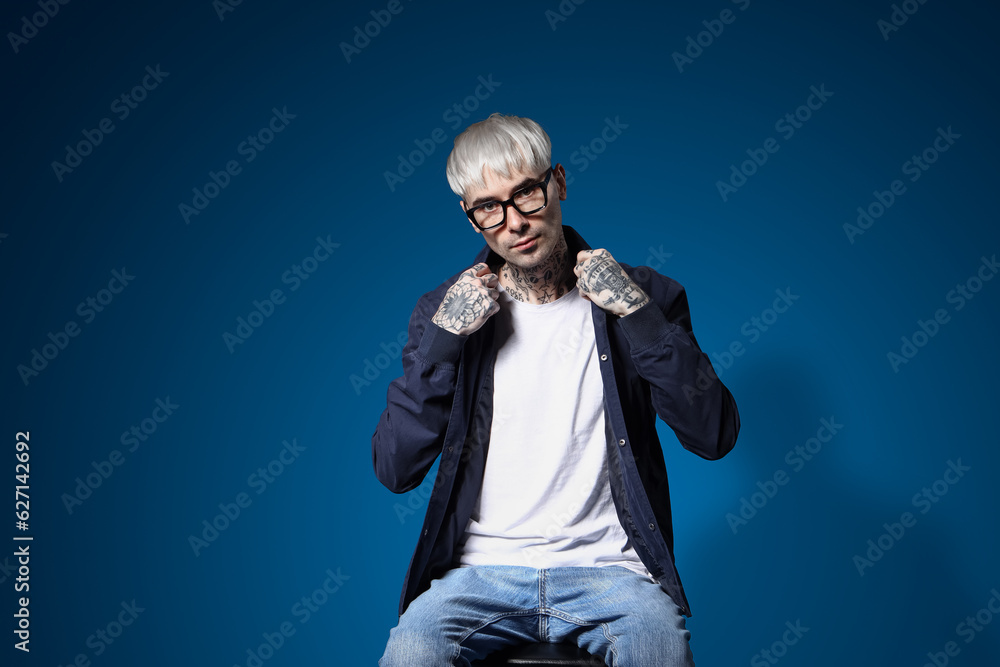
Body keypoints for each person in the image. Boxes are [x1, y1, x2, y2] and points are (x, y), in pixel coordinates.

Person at [373, 113, 740, 666]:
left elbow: (713, 433)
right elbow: (395, 470)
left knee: (660, 650)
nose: (514, 222)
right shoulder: (442, 313)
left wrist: (638, 315)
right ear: (471, 219)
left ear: (559, 182)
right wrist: (442, 344)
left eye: (526, 194)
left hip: (612, 575)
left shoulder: (647, 296)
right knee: (411, 653)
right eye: (489, 208)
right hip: (478, 576)